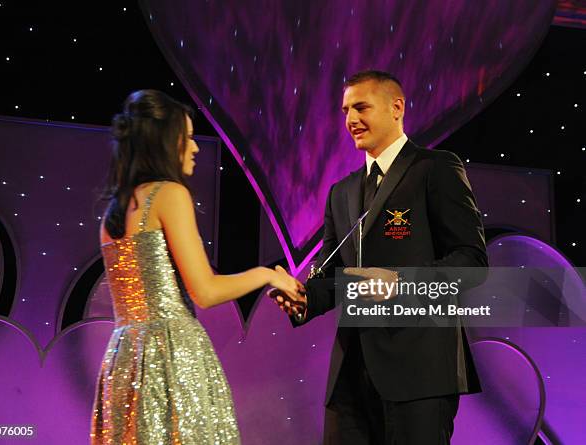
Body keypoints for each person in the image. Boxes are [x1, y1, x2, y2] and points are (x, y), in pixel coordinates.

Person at [274, 71, 487, 444]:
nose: (350, 120)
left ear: (396, 108)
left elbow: (471, 262)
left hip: (420, 370)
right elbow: (333, 275)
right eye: (345, 111)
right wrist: (304, 299)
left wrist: (401, 283)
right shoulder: (342, 192)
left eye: (361, 107)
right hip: (351, 375)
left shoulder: (435, 168)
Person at [90, 89, 303, 444]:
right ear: (164, 141)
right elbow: (205, 291)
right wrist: (267, 274)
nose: (195, 147)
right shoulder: (169, 195)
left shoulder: (114, 211)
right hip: (172, 356)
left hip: (124, 358)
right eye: (187, 137)